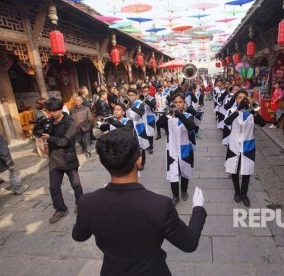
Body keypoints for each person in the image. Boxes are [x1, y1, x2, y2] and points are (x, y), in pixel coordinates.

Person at [72, 128, 206, 275]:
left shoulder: (87, 202)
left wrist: (84, 209)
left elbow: (79, 236)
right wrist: (198, 209)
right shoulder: (159, 205)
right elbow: (189, 243)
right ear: (139, 160)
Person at [42, 98, 84, 223]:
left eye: (54, 111)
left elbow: (65, 142)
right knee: (54, 187)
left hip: (68, 158)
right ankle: (60, 208)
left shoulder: (69, 123)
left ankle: (80, 204)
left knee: (75, 184)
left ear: (61, 109)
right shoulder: (50, 122)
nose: (52, 114)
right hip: (54, 159)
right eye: (50, 111)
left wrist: (49, 138)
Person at [224, 89, 266, 207]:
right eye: (239, 97)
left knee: (246, 171)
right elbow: (227, 122)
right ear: (236, 100)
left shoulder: (251, 112)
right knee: (234, 169)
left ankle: (244, 194)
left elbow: (263, 123)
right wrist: (238, 109)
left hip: (248, 146)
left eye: (244, 97)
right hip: (234, 146)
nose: (241, 99)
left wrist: (254, 111)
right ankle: (237, 192)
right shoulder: (231, 111)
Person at [156, 93, 196, 205]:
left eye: (180, 102)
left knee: (185, 169)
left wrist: (180, 115)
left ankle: (184, 190)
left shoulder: (188, 115)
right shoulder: (169, 116)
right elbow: (158, 124)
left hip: (185, 147)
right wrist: (167, 115)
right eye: (176, 102)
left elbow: (191, 126)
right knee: (173, 170)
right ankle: (175, 195)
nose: (178, 104)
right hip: (172, 148)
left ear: (184, 103)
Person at [126, 88, 149, 169]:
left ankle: (142, 163)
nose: (131, 97)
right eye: (129, 95)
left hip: (139, 124)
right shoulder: (126, 103)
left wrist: (132, 107)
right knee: (132, 145)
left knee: (142, 146)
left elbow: (141, 112)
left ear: (136, 96)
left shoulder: (140, 103)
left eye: (133, 95)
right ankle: (133, 162)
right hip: (129, 125)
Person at [141, 84, 157, 154]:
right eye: (144, 91)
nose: (145, 92)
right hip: (143, 117)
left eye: (146, 91)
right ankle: (146, 145)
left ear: (149, 91)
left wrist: (145, 99)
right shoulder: (140, 98)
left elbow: (153, 105)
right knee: (144, 132)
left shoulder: (152, 98)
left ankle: (151, 147)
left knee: (150, 133)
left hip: (150, 117)